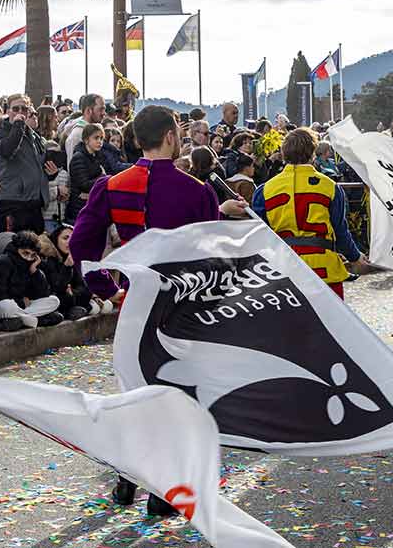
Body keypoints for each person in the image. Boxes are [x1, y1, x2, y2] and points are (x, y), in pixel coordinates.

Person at [69, 105, 246, 515]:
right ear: (170, 136)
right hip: (181, 306)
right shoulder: (197, 191)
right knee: (175, 394)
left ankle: (127, 480)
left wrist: (108, 290)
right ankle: (162, 491)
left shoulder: (112, 185)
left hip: (136, 303)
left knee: (137, 392)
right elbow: (209, 257)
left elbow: (80, 244)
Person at [252, 128, 364, 300]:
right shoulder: (331, 187)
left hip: (283, 270)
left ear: (284, 153)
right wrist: (355, 257)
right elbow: (340, 232)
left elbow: (261, 237)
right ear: (312, 153)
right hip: (324, 270)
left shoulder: (263, 191)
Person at [0, 95, 59, 234]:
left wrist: (50, 174)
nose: (20, 112)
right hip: (14, 202)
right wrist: (18, 125)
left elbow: (37, 166)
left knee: (37, 244)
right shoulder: (1, 132)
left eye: (24, 109)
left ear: (29, 111)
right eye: (15, 109)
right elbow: (7, 151)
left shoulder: (34, 136)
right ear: (8, 111)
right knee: (14, 245)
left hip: (34, 203)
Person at [0, 231, 63, 330]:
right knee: (8, 306)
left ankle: (18, 320)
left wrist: (35, 272)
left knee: (54, 300)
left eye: (33, 255)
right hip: (0, 306)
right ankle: (34, 321)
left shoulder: (31, 265)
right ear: (17, 249)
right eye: (25, 253)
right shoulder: (2, 262)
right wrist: (21, 302)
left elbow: (43, 294)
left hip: (21, 307)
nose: (28, 258)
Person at [40, 224, 110, 321]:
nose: (70, 241)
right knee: (62, 299)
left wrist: (73, 292)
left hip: (72, 297)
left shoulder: (72, 256)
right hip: (54, 299)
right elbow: (57, 287)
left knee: (107, 306)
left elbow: (85, 288)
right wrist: (67, 267)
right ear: (55, 239)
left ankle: (77, 309)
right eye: (65, 238)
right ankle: (75, 310)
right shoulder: (48, 259)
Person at [67, 123, 106, 222]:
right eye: (96, 138)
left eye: (101, 138)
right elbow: (84, 185)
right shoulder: (79, 158)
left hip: (91, 205)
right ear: (86, 140)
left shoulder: (97, 156)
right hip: (79, 209)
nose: (100, 141)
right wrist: (102, 177)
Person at [64, 93, 106, 157]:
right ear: (89, 110)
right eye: (101, 109)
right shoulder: (77, 135)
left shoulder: (97, 130)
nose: (104, 113)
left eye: (104, 109)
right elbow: (73, 162)